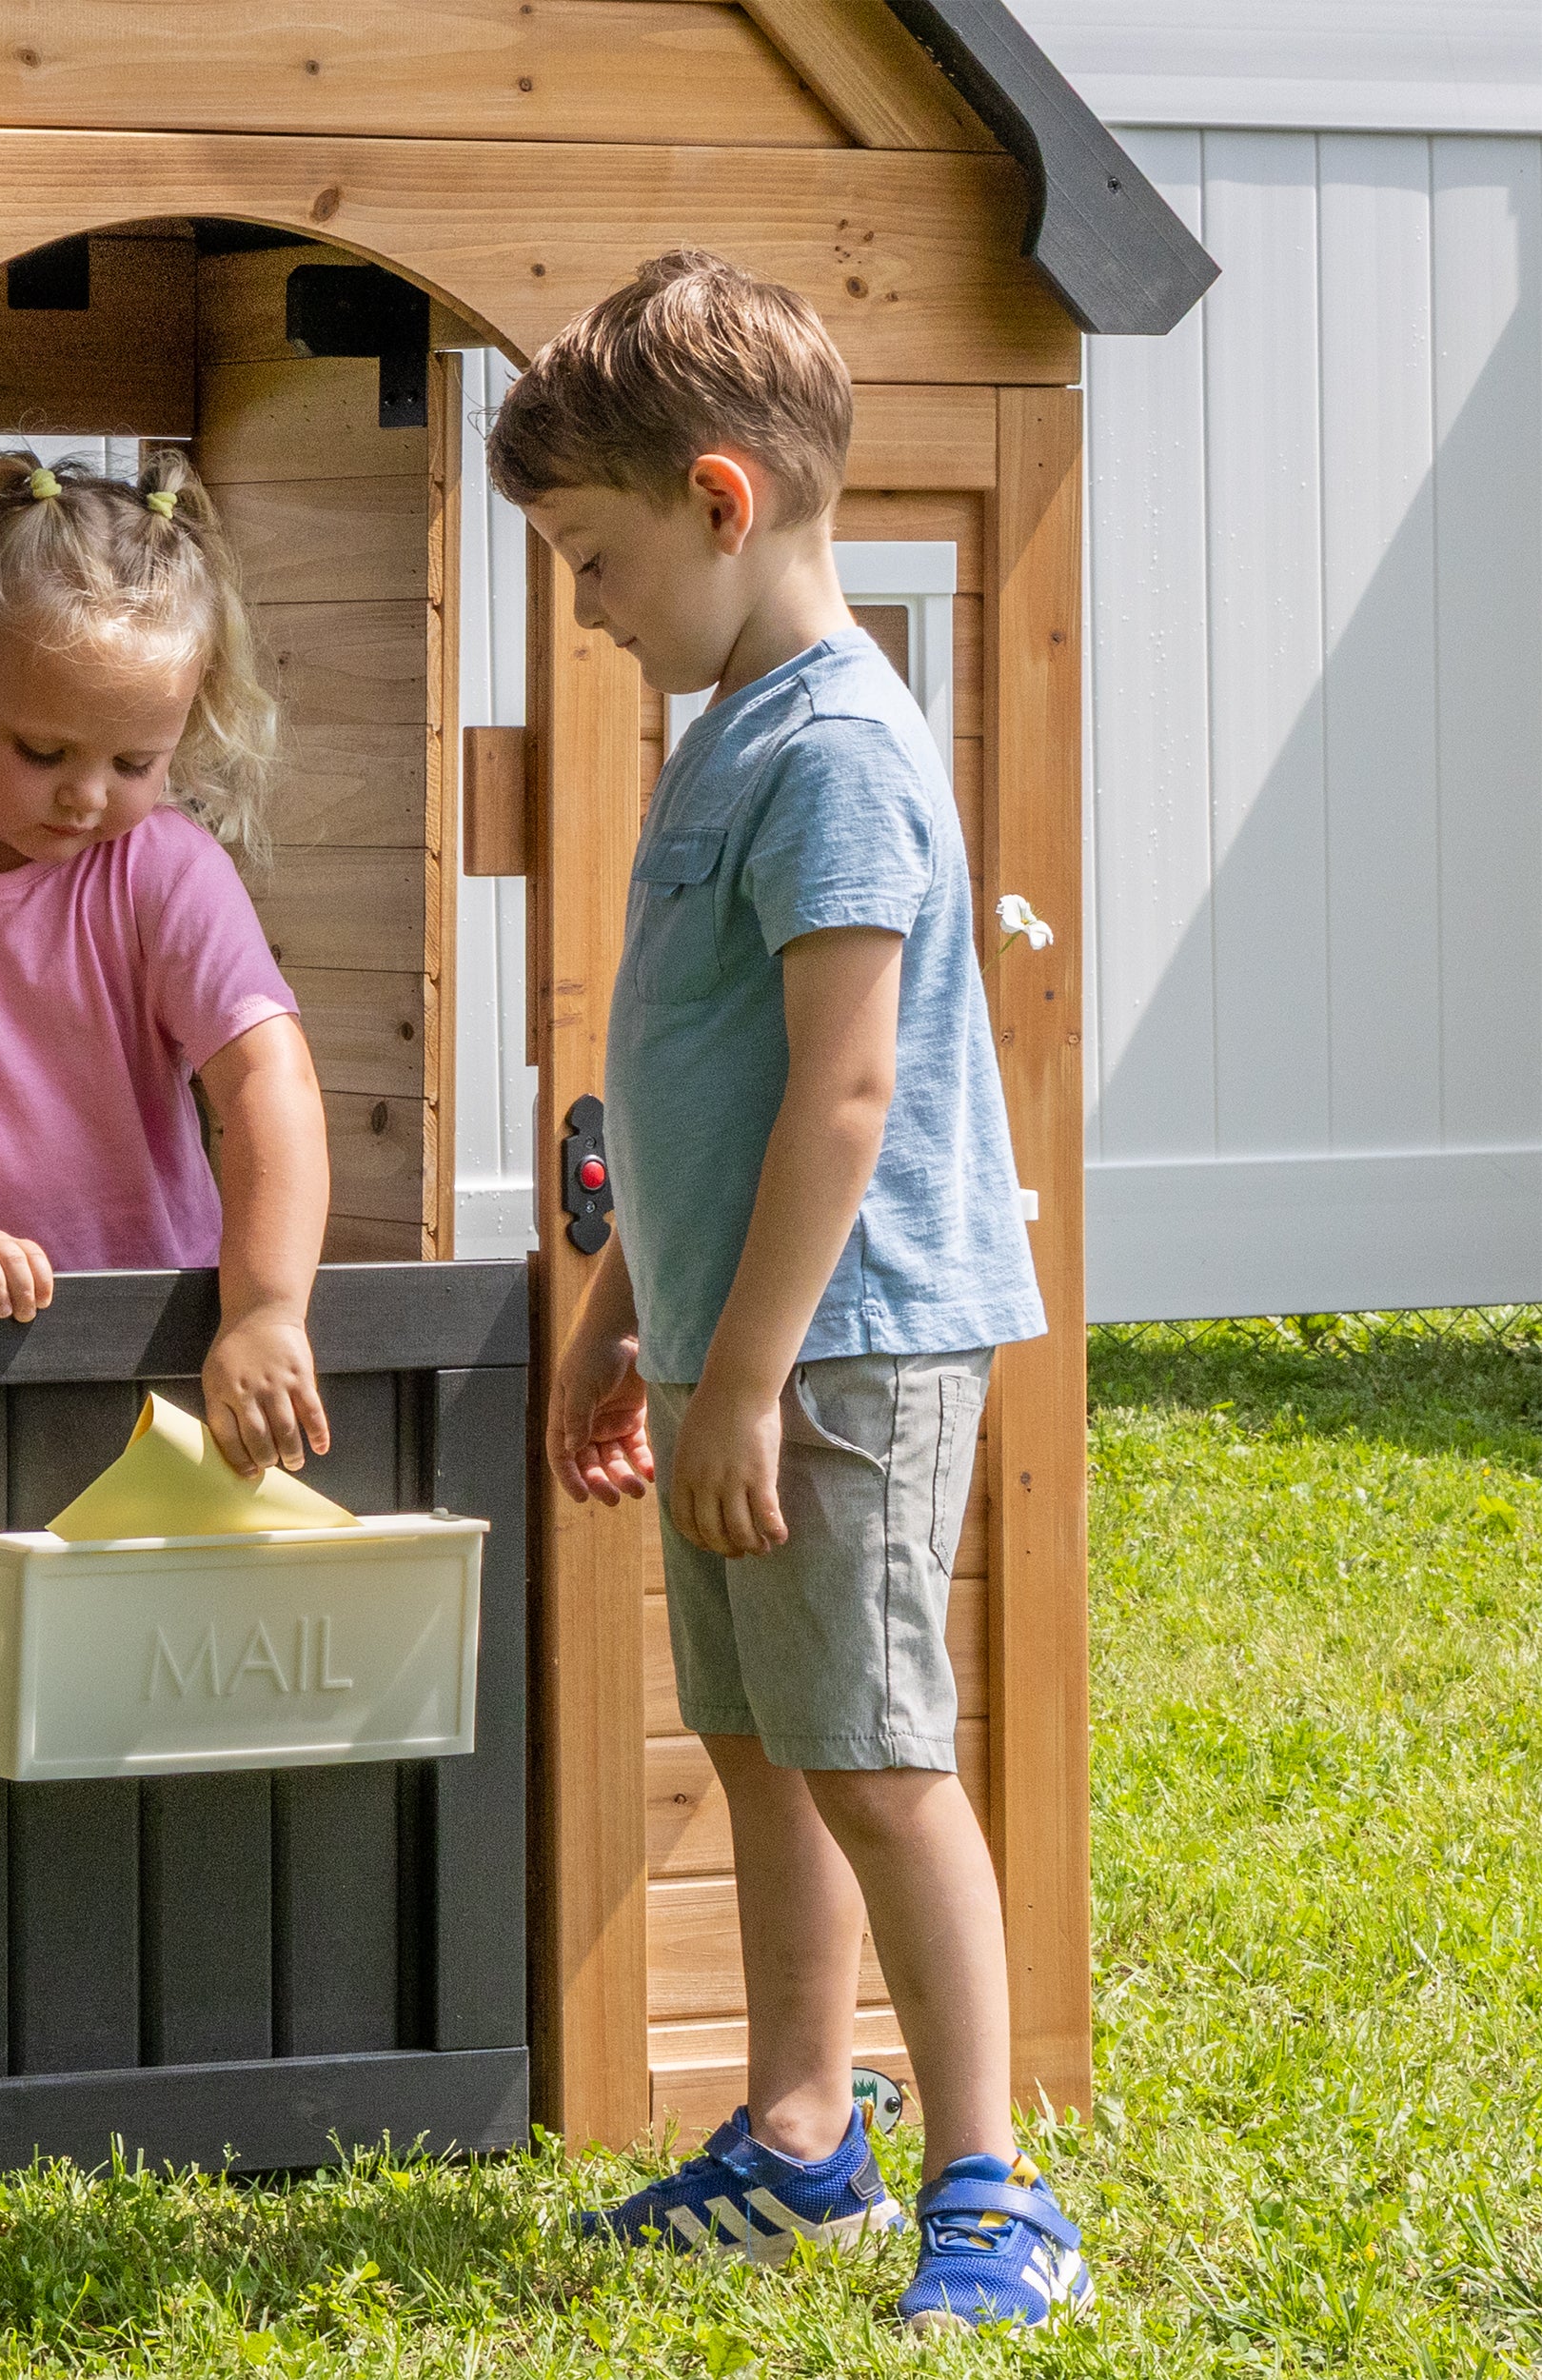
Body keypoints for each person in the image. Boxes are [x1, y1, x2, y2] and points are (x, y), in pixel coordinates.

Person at [489, 251, 1090, 2333]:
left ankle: (989, 2179)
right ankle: (798, 2133)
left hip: (842, 1342)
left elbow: (843, 1090)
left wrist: (738, 1365)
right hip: (739, 1338)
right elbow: (695, 1082)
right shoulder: (732, 724)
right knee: (759, 1737)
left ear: (719, 502)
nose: (580, 603)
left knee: (870, 1748)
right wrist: (619, 1318)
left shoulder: (835, 744)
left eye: (590, 553)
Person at [0, 448, 332, 1480]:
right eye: (44, 752)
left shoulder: (162, 868)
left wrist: (266, 1309)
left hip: (152, 1350)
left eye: (135, 763)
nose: (88, 795)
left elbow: (269, 1079)